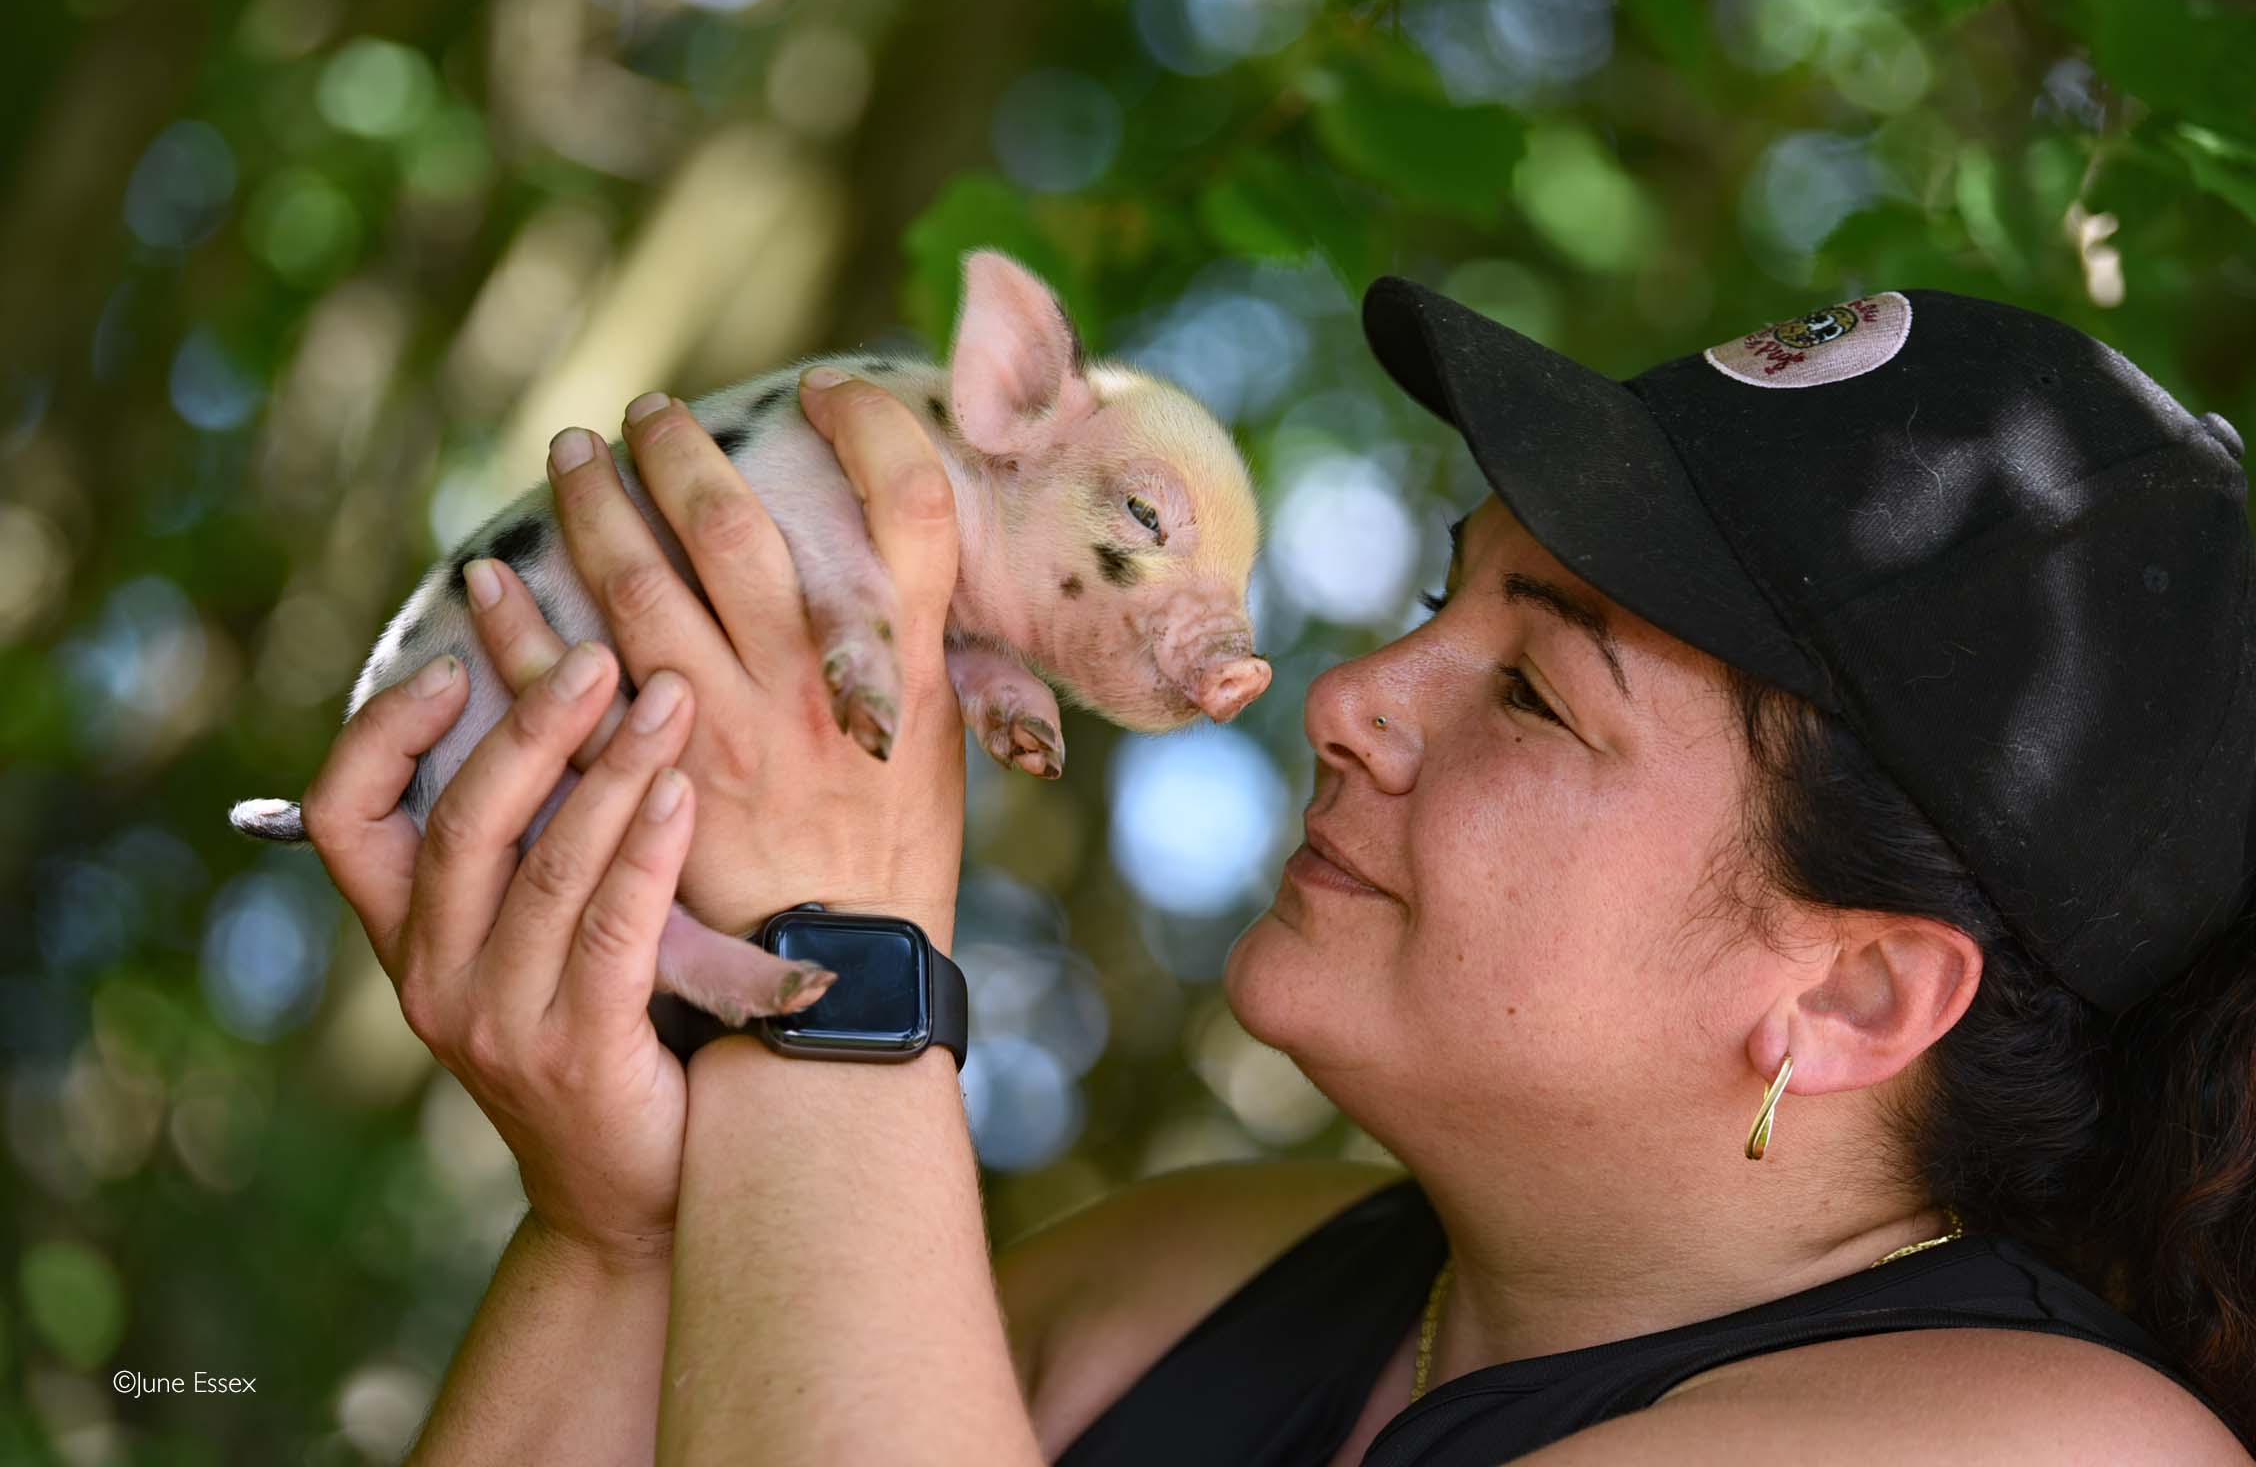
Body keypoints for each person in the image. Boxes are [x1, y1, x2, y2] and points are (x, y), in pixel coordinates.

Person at [300, 288, 2256, 1466]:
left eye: (1535, 690)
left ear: (1845, 998)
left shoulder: (2053, 1451)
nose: (1350, 698)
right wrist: (622, 1222)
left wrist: (846, 967)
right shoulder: (1188, 1275)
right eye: (1436, 595)